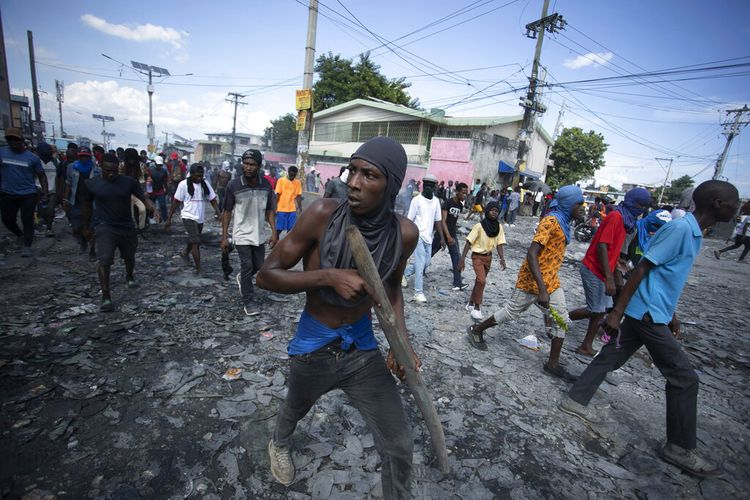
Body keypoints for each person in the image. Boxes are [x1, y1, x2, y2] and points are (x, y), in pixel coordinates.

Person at [256, 136, 418, 497]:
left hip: (361, 347)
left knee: (399, 443)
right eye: (353, 170)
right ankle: (278, 443)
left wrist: (401, 343)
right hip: (315, 343)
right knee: (295, 406)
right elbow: (265, 275)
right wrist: (327, 276)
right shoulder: (321, 215)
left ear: (390, 185)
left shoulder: (404, 234)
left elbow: (391, 290)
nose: (354, 183)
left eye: (369, 175)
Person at [560, 181, 739, 478]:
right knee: (684, 378)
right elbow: (642, 268)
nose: (738, 207)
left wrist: (672, 313)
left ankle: (574, 399)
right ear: (718, 203)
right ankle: (679, 447)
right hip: (646, 314)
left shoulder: (692, 233)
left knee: (611, 355)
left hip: (653, 310)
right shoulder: (680, 230)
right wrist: (616, 311)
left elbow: (665, 276)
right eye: (734, 202)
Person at [467, 187, 584, 383]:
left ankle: (552, 365)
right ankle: (477, 329)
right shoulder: (551, 222)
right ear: (568, 204)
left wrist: (547, 287)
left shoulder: (564, 223)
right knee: (511, 312)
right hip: (533, 280)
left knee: (561, 318)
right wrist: (542, 289)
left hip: (551, 280)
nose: (582, 208)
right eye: (578, 204)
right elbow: (532, 254)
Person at [568, 188, 651, 356]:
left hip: (604, 270)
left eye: (645, 206)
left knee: (601, 309)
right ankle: (558, 318)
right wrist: (609, 277)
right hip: (594, 268)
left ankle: (586, 344)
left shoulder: (627, 221)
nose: (642, 209)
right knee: (595, 309)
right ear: (632, 202)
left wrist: (617, 272)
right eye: (640, 205)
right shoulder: (616, 217)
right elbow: (602, 246)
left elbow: (614, 250)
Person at [83, 154, 155, 312]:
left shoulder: (128, 182)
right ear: (100, 167)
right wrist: (86, 226)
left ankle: (129, 275)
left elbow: (142, 196)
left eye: (114, 171)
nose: (111, 174)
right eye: (108, 171)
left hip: (126, 226)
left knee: (129, 256)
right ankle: (106, 296)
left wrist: (149, 206)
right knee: (105, 261)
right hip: (105, 227)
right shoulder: (92, 184)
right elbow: (87, 206)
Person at [221, 149, 278, 316]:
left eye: (252, 164)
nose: (248, 167)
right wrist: (224, 236)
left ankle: (242, 278)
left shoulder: (266, 185)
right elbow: (227, 212)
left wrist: (274, 233)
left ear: (259, 166)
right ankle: (248, 301)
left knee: (259, 266)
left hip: (259, 233)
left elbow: (269, 210)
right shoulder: (234, 185)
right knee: (247, 265)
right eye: (245, 164)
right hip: (241, 233)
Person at [0, 128, 48, 256]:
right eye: (10, 139)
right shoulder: (2, 153)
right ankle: (20, 234)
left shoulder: (32, 158)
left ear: (21, 140)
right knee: (7, 219)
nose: (13, 142)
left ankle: (27, 246)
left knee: (27, 220)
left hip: (28, 193)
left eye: (15, 139)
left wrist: (45, 192)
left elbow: (42, 176)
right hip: (7, 193)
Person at [165, 164, 220, 275]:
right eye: (196, 176)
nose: (199, 178)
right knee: (196, 241)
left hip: (199, 217)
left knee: (194, 238)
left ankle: (185, 252)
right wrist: (169, 219)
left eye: (201, 176)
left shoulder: (205, 184)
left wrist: (219, 213)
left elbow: (213, 199)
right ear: (191, 175)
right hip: (188, 216)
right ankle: (198, 269)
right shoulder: (183, 184)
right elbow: (176, 202)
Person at [460, 201, 506, 320]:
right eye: (492, 210)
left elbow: (500, 243)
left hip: (488, 257)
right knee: (482, 281)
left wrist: (502, 258)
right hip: (477, 256)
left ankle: (470, 303)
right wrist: (462, 259)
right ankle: (477, 308)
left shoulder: (498, 227)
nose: (494, 213)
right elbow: (468, 242)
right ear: (487, 211)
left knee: (479, 282)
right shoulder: (479, 226)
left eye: (496, 211)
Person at [402, 173, 444, 303]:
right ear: (423, 186)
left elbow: (438, 221)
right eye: (426, 185)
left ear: (435, 187)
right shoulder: (416, 200)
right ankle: (418, 293)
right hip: (418, 236)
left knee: (427, 263)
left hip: (428, 237)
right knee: (420, 265)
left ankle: (404, 273)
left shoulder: (436, 201)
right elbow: (410, 220)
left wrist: (442, 238)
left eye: (431, 186)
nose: (428, 188)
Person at [63, 146, 100, 259]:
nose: (84, 158)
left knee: (91, 228)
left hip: (92, 203)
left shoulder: (97, 169)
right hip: (77, 201)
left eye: (86, 156)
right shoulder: (71, 167)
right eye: (81, 156)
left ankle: (92, 250)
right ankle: (83, 240)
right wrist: (65, 199)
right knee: (76, 228)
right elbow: (68, 184)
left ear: (90, 157)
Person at [441, 182, 469, 291]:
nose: (465, 195)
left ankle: (457, 283)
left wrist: (452, 236)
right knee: (429, 255)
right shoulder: (447, 203)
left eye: (466, 193)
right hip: (442, 235)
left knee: (456, 257)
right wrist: (447, 237)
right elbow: (443, 221)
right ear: (457, 192)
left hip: (452, 235)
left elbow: (453, 221)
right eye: (463, 193)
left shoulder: (460, 206)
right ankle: (408, 272)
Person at [34, 142, 59, 237]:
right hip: (38, 191)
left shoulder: (55, 162)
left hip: (52, 191)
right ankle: (41, 224)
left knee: (50, 210)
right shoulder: (36, 162)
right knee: (41, 212)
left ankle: (49, 228)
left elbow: (58, 177)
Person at [275, 165, 302, 234]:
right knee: (279, 228)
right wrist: (274, 207)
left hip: (292, 209)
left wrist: (300, 208)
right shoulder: (281, 180)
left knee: (291, 230)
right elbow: (277, 194)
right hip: (281, 208)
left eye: (294, 176)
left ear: (296, 174)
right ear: (288, 172)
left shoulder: (298, 183)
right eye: (291, 175)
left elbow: (298, 196)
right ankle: (275, 242)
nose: (292, 177)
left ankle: (287, 244)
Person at [148, 156, 169, 223]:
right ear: (155, 164)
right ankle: (151, 218)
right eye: (158, 165)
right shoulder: (150, 170)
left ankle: (165, 219)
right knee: (151, 205)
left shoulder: (164, 171)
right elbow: (148, 180)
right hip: (152, 190)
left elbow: (165, 181)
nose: (159, 166)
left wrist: (167, 189)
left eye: (160, 165)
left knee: (163, 205)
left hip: (160, 190)